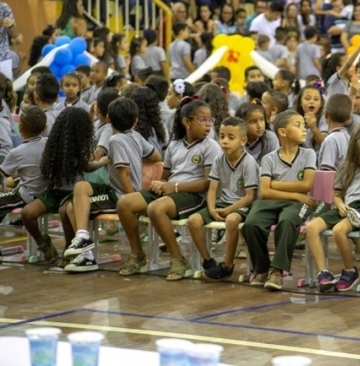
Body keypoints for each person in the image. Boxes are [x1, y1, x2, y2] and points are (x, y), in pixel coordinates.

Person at [116, 98, 219, 278]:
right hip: (173, 192)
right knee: (124, 203)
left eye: (210, 120)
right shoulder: (174, 145)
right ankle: (137, 254)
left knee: (156, 208)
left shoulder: (211, 147)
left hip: (195, 196)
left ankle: (178, 258)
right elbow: (165, 176)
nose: (208, 125)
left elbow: (208, 183)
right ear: (186, 121)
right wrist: (159, 184)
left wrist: (175, 187)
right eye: (202, 119)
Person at [62, 99, 162, 272]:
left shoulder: (115, 140)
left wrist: (131, 200)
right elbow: (157, 156)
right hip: (114, 189)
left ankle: (86, 255)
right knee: (80, 188)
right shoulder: (136, 136)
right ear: (135, 120)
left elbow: (124, 173)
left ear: (108, 118)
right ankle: (83, 240)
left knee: (73, 207)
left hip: (121, 195)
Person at [241, 110, 317, 290]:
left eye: (304, 125)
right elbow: (264, 192)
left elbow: (306, 184)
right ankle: (262, 267)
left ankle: (277, 270)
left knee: (287, 220)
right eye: (298, 125)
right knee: (250, 224)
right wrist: (295, 194)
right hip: (274, 201)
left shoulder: (308, 154)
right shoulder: (268, 158)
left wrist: (276, 184)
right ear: (282, 132)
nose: (304, 129)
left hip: (298, 204)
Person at [21, 107, 106, 266]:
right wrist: (101, 162)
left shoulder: (79, 146)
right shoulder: (53, 143)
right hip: (54, 192)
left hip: (72, 193)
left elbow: (86, 167)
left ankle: (69, 247)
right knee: (27, 213)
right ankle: (44, 244)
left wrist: (101, 162)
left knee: (64, 211)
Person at [307, 122, 360, 293]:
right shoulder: (346, 164)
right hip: (348, 206)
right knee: (312, 227)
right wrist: (340, 205)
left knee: (338, 231)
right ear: (359, 144)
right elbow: (336, 194)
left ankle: (350, 271)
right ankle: (324, 273)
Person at [188, 117, 260, 281]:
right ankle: (208, 261)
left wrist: (229, 210)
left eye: (231, 137)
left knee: (232, 220)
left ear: (243, 140)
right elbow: (212, 189)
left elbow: (250, 197)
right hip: (222, 203)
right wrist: (212, 208)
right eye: (222, 136)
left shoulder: (248, 162)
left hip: (243, 205)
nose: (225, 141)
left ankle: (227, 265)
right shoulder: (219, 159)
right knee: (193, 220)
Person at [0, 107, 48, 223]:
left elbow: (1, 174)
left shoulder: (17, 152)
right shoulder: (48, 143)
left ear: (20, 126)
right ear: (45, 128)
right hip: (47, 195)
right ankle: (18, 221)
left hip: (28, 196)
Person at [318, 94, 352, 171]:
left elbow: (326, 172)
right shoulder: (348, 137)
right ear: (349, 117)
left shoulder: (330, 140)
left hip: (333, 182)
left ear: (326, 114)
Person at [0, 2, 19, 79]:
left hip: (3, 59)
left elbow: (15, 34)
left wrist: (10, 25)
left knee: (5, 89)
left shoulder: (4, 7)